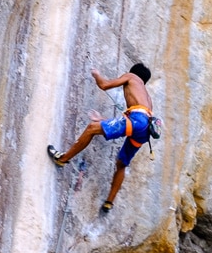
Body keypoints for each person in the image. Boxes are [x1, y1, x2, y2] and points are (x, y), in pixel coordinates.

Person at [48, 63, 155, 213]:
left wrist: (96, 74)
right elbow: (131, 123)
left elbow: (104, 85)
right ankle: (109, 202)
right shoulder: (147, 99)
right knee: (122, 163)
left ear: (133, 72)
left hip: (137, 121)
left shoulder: (131, 77)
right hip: (145, 130)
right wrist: (103, 119)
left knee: (92, 128)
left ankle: (62, 159)